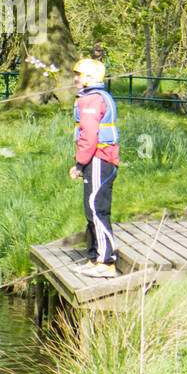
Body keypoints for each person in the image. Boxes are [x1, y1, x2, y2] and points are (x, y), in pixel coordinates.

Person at [70, 58, 119, 278]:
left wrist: (80, 163)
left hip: (100, 158)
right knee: (90, 208)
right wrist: (81, 164)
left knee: (97, 207)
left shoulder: (91, 101)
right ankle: (93, 257)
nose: (75, 78)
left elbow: (89, 137)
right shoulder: (89, 98)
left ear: (89, 78)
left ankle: (106, 261)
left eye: (78, 74)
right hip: (94, 159)